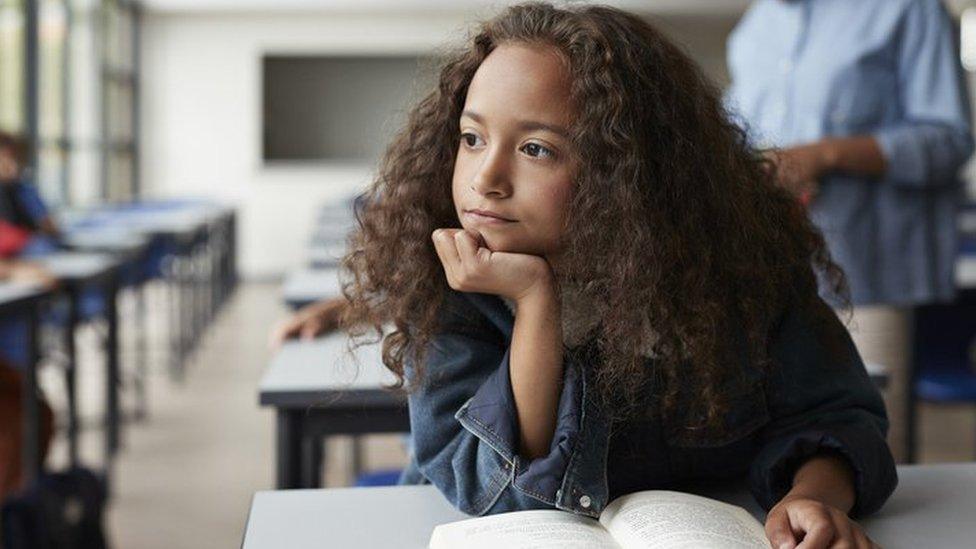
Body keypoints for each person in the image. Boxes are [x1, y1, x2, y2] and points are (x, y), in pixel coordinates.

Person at [338, 3, 896, 547]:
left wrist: (817, 498)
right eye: (472, 138)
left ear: (627, 172)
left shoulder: (742, 269)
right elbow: (503, 492)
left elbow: (837, 417)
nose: (486, 178)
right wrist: (537, 303)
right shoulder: (449, 285)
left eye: (536, 149)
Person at [725, 0, 974, 463]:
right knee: (794, 452)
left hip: (869, 276)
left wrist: (826, 155)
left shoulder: (907, 9)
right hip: (773, 281)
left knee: (873, 452)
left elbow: (948, 139)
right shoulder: (758, 25)